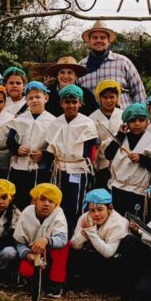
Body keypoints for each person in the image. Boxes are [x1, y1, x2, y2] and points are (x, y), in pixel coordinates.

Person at [43, 84, 98, 234]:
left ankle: (77, 233)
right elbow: (50, 147)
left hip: (78, 169)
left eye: (74, 102)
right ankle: (58, 233)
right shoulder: (56, 122)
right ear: (61, 103)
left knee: (77, 204)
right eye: (67, 102)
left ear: (80, 103)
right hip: (59, 168)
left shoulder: (87, 123)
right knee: (58, 202)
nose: (71, 105)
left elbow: (92, 149)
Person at [104, 102, 151, 222]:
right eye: (133, 121)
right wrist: (120, 135)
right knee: (117, 221)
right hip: (118, 188)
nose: (137, 124)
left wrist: (141, 159)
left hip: (138, 191)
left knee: (135, 223)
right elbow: (108, 154)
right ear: (126, 123)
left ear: (147, 122)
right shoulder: (122, 138)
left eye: (141, 120)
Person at [6, 82, 56, 209]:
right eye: (30, 98)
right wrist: (17, 148)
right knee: (19, 200)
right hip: (19, 168)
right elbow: (10, 140)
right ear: (26, 100)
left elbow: (55, 146)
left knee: (38, 199)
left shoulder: (53, 121)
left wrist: (44, 155)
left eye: (38, 97)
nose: (34, 100)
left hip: (40, 169)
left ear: (46, 98)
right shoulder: (19, 119)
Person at [15, 183, 69, 299]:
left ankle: (56, 283)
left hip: (51, 251)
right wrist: (27, 254)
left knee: (64, 247)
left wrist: (46, 240)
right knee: (27, 272)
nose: (46, 204)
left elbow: (62, 239)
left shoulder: (59, 213)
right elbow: (20, 242)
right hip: (33, 252)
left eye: (51, 201)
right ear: (35, 200)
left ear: (56, 204)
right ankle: (33, 280)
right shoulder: (26, 213)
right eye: (42, 199)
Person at [68, 189, 128, 293]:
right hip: (91, 256)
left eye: (100, 209)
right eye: (92, 210)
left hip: (112, 262)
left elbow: (108, 253)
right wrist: (82, 235)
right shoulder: (85, 217)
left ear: (109, 208)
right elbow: (74, 246)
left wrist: (91, 233)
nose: (96, 214)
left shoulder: (119, 222)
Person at [77, 21, 147, 107]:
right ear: (89, 41)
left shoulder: (123, 62)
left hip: (123, 117)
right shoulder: (81, 67)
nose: (98, 40)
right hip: (93, 119)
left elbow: (139, 93)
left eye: (102, 37)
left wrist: (139, 116)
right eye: (94, 38)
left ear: (109, 41)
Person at [89, 80, 124, 189]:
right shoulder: (92, 118)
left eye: (112, 97)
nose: (109, 101)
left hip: (120, 163)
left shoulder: (123, 116)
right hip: (101, 165)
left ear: (117, 97)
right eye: (105, 97)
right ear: (100, 98)